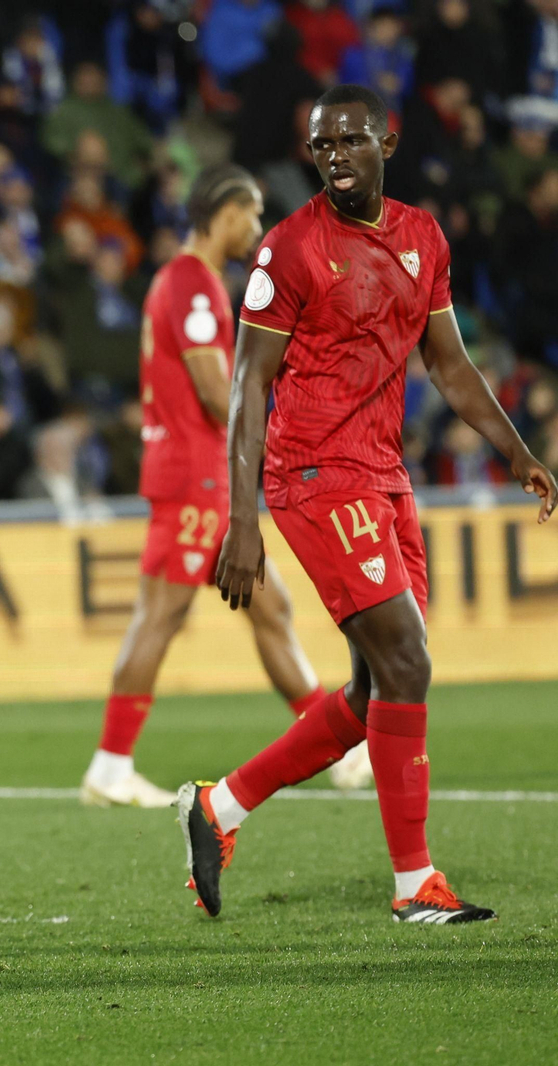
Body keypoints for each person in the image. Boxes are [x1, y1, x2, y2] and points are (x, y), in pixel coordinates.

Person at [187, 85, 557, 924]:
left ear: (386, 141)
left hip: (383, 473)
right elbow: (248, 387)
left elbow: (452, 366)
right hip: (313, 474)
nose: (337, 157)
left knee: (372, 693)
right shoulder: (288, 253)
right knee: (409, 663)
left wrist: (517, 452)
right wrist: (242, 522)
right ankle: (413, 885)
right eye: (322, 147)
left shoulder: (423, 238)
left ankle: (220, 808)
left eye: (352, 141)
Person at [81, 164, 343, 810]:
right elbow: (210, 386)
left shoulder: (186, 282)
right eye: (251, 215)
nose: (257, 229)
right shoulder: (194, 286)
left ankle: (335, 744)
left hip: (208, 478)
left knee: (271, 607)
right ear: (224, 213)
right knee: (159, 617)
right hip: (196, 478)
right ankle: (110, 766)